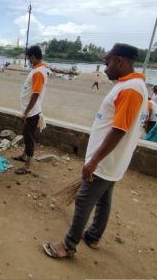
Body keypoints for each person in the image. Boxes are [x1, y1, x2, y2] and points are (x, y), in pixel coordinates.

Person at [43, 43, 147, 260]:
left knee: (83, 200)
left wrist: (94, 161)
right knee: (104, 199)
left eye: (107, 62)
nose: (105, 67)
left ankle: (68, 245)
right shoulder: (128, 85)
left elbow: (119, 130)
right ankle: (93, 236)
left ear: (119, 61)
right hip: (111, 162)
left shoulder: (131, 89)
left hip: (105, 161)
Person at [13, 45, 49, 174]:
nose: (28, 60)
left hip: (32, 112)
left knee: (29, 138)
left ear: (33, 57)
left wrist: (26, 112)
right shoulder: (37, 69)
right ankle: (23, 157)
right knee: (26, 135)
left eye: (28, 58)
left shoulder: (39, 72)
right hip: (30, 111)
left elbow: (36, 94)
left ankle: (27, 166)